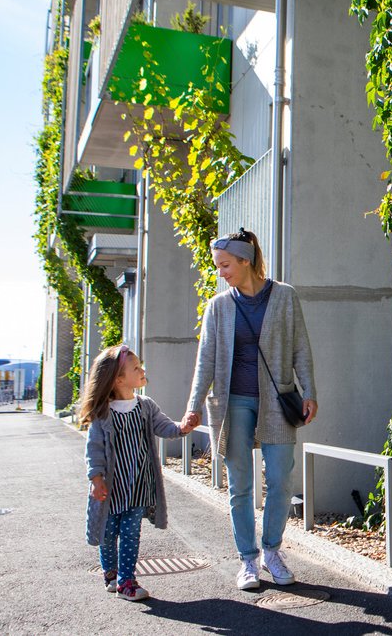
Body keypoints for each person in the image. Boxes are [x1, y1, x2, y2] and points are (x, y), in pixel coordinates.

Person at [183, 228, 318, 590]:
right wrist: (193, 406)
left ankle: (272, 550)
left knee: (280, 479)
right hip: (233, 403)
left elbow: (300, 348)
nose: (221, 272)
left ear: (246, 261)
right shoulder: (219, 306)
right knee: (240, 486)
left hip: (278, 400)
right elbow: (206, 361)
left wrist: (309, 391)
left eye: (226, 265)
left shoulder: (285, 296)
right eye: (218, 266)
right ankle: (248, 560)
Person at [83, 344, 199, 601]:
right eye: (136, 367)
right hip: (111, 489)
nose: (142, 369)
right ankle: (111, 573)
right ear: (118, 379)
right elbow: (94, 449)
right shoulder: (103, 413)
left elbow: (164, 426)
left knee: (131, 533)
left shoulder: (145, 406)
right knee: (108, 532)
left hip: (138, 486)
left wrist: (182, 428)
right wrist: (96, 478)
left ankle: (127, 581)